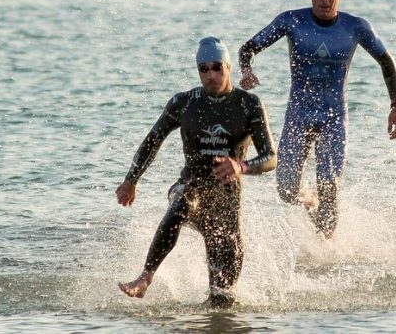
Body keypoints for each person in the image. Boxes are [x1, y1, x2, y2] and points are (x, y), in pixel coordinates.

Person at [238, 0, 396, 238]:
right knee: (286, 189)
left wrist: (395, 106)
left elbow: (386, 62)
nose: (325, 0)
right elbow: (249, 47)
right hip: (299, 114)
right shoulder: (291, 21)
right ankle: (308, 201)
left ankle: (326, 249)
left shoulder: (356, 27)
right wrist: (246, 70)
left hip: (333, 117)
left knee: (329, 186)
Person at [116, 37, 277, 308]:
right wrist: (131, 180)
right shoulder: (184, 102)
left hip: (227, 203)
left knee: (222, 302)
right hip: (190, 185)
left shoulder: (248, 104)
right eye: (204, 69)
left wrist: (241, 166)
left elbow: (271, 157)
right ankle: (145, 277)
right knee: (183, 202)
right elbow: (152, 141)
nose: (211, 75)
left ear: (228, 68)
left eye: (217, 67)